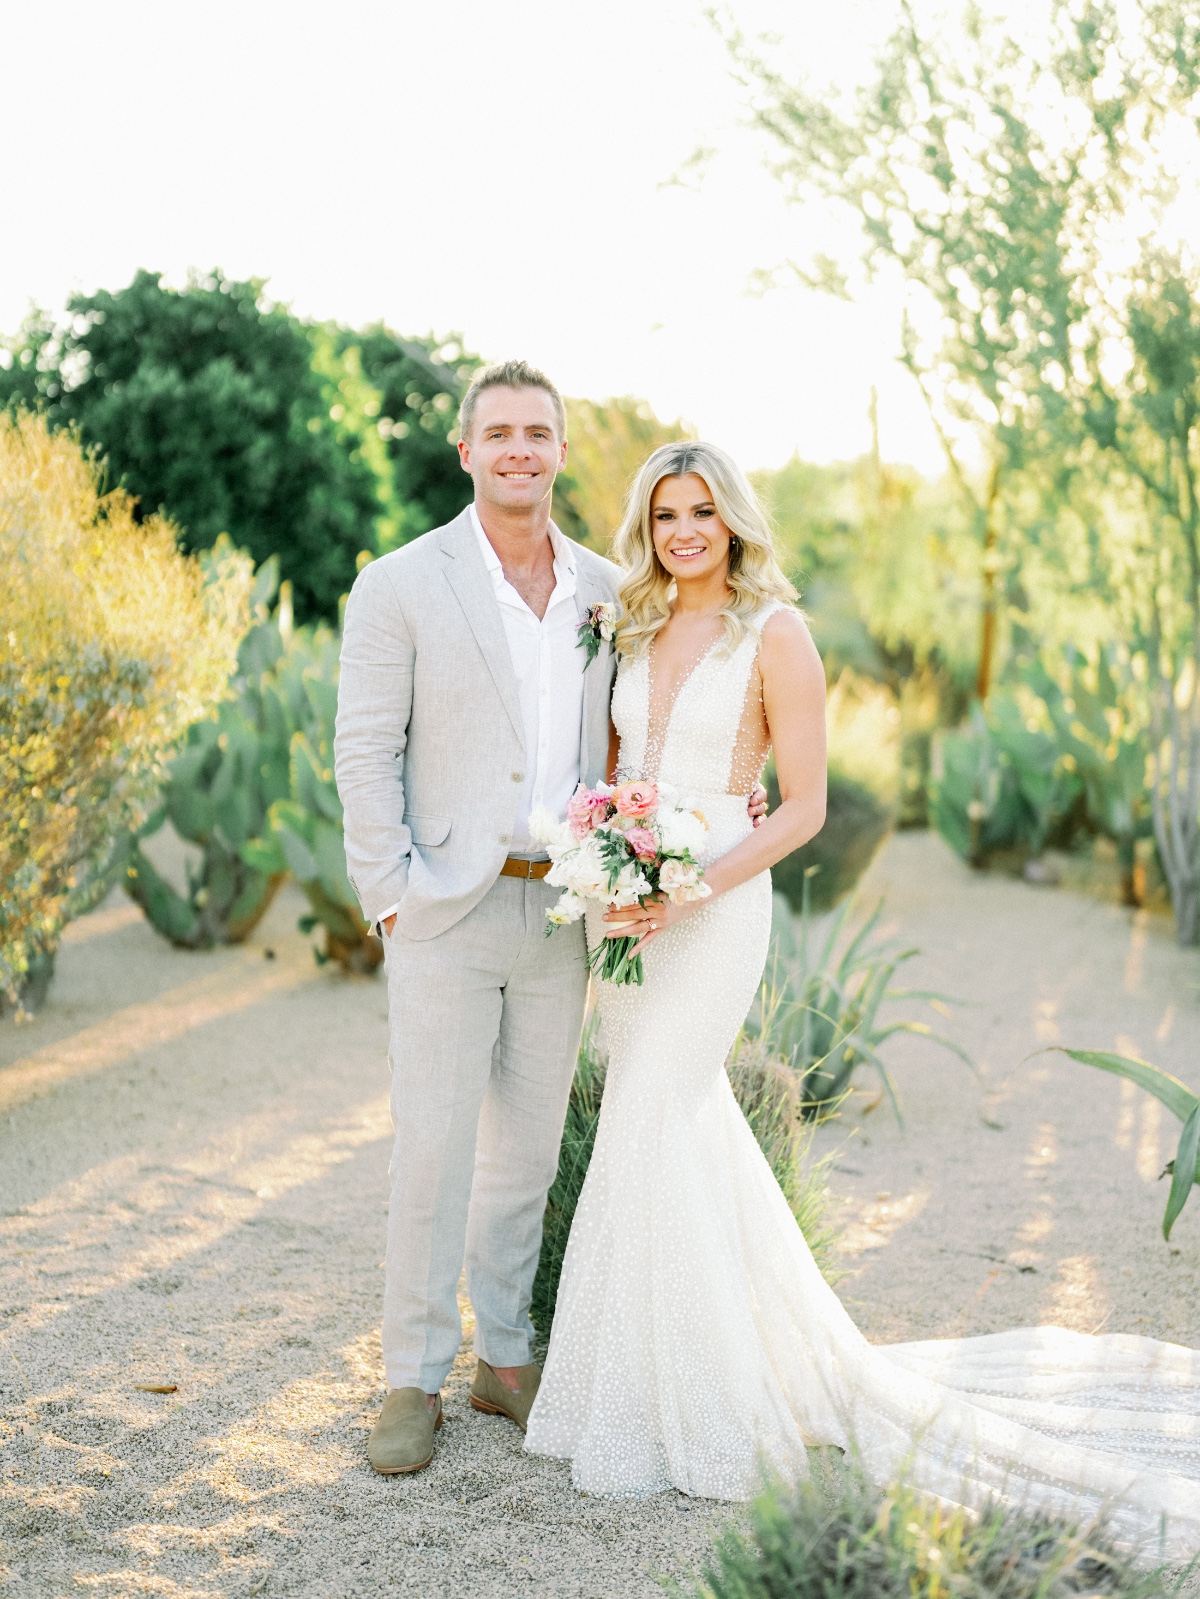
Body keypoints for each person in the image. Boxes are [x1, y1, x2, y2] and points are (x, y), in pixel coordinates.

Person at [524, 440, 1200, 1559]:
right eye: (665, 513)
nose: (684, 531)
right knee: (675, 1132)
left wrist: (689, 886)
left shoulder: (773, 635)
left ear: (734, 520)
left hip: (715, 905)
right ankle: (648, 1381)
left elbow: (802, 808)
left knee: (651, 1115)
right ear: (644, 526)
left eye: (702, 511)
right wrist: (610, 866)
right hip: (627, 907)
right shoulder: (632, 627)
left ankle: (700, 1409)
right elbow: (612, 768)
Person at [334, 365, 765, 1476]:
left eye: (539, 433)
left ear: (562, 452)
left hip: (566, 909)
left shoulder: (602, 589)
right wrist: (390, 891)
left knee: (522, 1153)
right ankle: (411, 1378)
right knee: (432, 1149)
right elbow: (363, 748)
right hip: (444, 905)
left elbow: (659, 719)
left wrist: (733, 793)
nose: (520, 449)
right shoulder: (399, 583)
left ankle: (508, 1362)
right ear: (465, 449)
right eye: (500, 433)